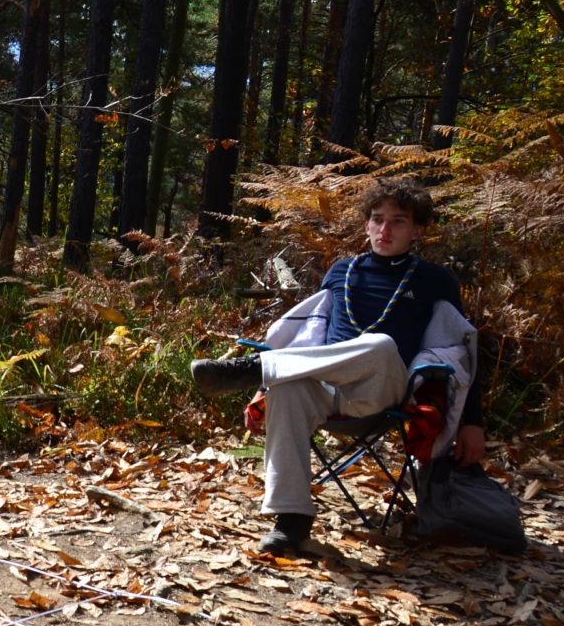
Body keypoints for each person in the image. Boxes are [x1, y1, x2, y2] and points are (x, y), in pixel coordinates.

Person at [191, 177, 484, 556]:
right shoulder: (341, 271)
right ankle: (291, 519)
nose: (385, 229)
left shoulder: (435, 279)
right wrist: (266, 389)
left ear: (418, 230)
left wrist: (472, 423)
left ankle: (256, 366)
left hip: (385, 392)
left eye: (398, 221)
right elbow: (311, 333)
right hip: (327, 390)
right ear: (366, 225)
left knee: (379, 344)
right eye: (377, 219)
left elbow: (463, 350)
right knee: (288, 388)